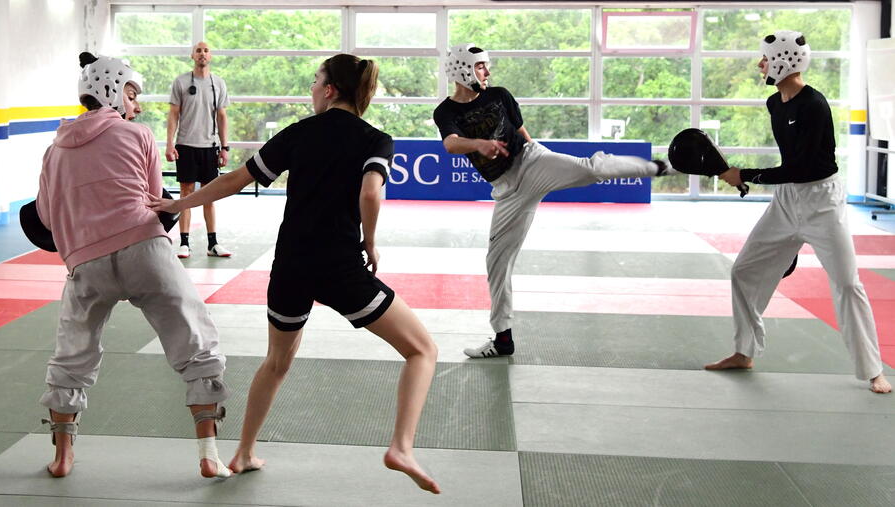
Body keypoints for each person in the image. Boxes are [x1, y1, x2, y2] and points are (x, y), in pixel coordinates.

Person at [149, 54, 442, 493]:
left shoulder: (299, 133)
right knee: (423, 350)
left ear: (329, 90)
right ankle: (401, 446)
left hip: (290, 265)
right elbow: (371, 194)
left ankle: (244, 452)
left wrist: (177, 204)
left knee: (277, 361)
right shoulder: (376, 139)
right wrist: (370, 240)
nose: (311, 88)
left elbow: (234, 180)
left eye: (315, 81)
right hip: (340, 268)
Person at [36, 52, 232, 479]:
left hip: (85, 262)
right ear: (112, 89)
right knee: (195, 341)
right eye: (132, 93)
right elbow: (154, 198)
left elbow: (48, 220)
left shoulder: (53, 151)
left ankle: (63, 457)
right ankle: (208, 453)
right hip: (145, 250)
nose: (138, 104)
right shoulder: (137, 135)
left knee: (72, 354)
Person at [433, 43, 675, 358]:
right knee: (497, 262)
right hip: (507, 189)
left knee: (591, 168)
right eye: (480, 66)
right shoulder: (446, 111)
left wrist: (541, 157)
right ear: (461, 68)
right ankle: (503, 340)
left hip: (531, 161)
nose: (487, 72)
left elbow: (522, 131)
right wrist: (479, 144)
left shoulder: (500, 94)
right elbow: (451, 144)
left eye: (486, 65)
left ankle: (659, 167)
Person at [705, 30, 891, 394]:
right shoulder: (776, 103)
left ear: (784, 60)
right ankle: (744, 352)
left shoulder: (814, 106)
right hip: (787, 201)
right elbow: (789, 167)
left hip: (823, 202)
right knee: (743, 271)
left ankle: (873, 371)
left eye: (764, 58)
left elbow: (804, 167)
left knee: (848, 283)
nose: (760, 64)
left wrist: (744, 174)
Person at [166, 41, 233, 258]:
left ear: (210, 56)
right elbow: (173, 115)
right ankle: (184, 243)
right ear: (192, 56)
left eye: (206, 50)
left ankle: (212, 244)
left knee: (209, 195)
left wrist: (225, 147)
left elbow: (222, 117)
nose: (202, 54)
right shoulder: (181, 82)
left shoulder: (219, 83)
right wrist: (169, 144)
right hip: (185, 145)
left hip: (210, 147)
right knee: (186, 194)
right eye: (198, 50)